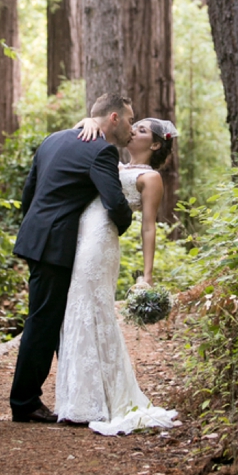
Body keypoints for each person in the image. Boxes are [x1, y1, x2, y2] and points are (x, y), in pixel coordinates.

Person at [9, 93, 134, 423]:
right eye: (130, 119)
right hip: (55, 244)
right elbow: (114, 201)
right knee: (43, 321)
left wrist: (34, 229)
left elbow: (29, 192)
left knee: (52, 319)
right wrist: (124, 223)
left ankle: (73, 394)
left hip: (37, 237)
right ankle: (23, 402)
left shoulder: (53, 140)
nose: (132, 127)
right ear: (114, 119)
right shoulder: (101, 150)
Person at [55, 116, 179, 435]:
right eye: (132, 126)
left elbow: (148, 226)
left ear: (153, 144)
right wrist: (88, 120)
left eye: (139, 130)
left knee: (90, 308)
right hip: (77, 233)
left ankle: (94, 401)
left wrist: (147, 275)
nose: (132, 130)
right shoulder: (109, 158)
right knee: (75, 308)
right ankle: (79, 398)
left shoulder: (150, 177)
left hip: (100, 242)